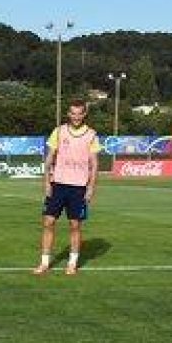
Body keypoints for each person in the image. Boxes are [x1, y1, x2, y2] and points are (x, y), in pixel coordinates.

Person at [33, 99, 100, 275]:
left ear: (84, 114)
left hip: (79, 187)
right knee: (48, 222)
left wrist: (91, 188)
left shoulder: (91, 134)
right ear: (68, 114)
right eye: (73, 113)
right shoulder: (59, 131)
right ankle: (45, 262)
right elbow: (49, 159)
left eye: (80, 113)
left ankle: (72, 263)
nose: (76, 117)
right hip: (58, 184)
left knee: (75, 225)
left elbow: (94, 164)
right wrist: (47, 182)